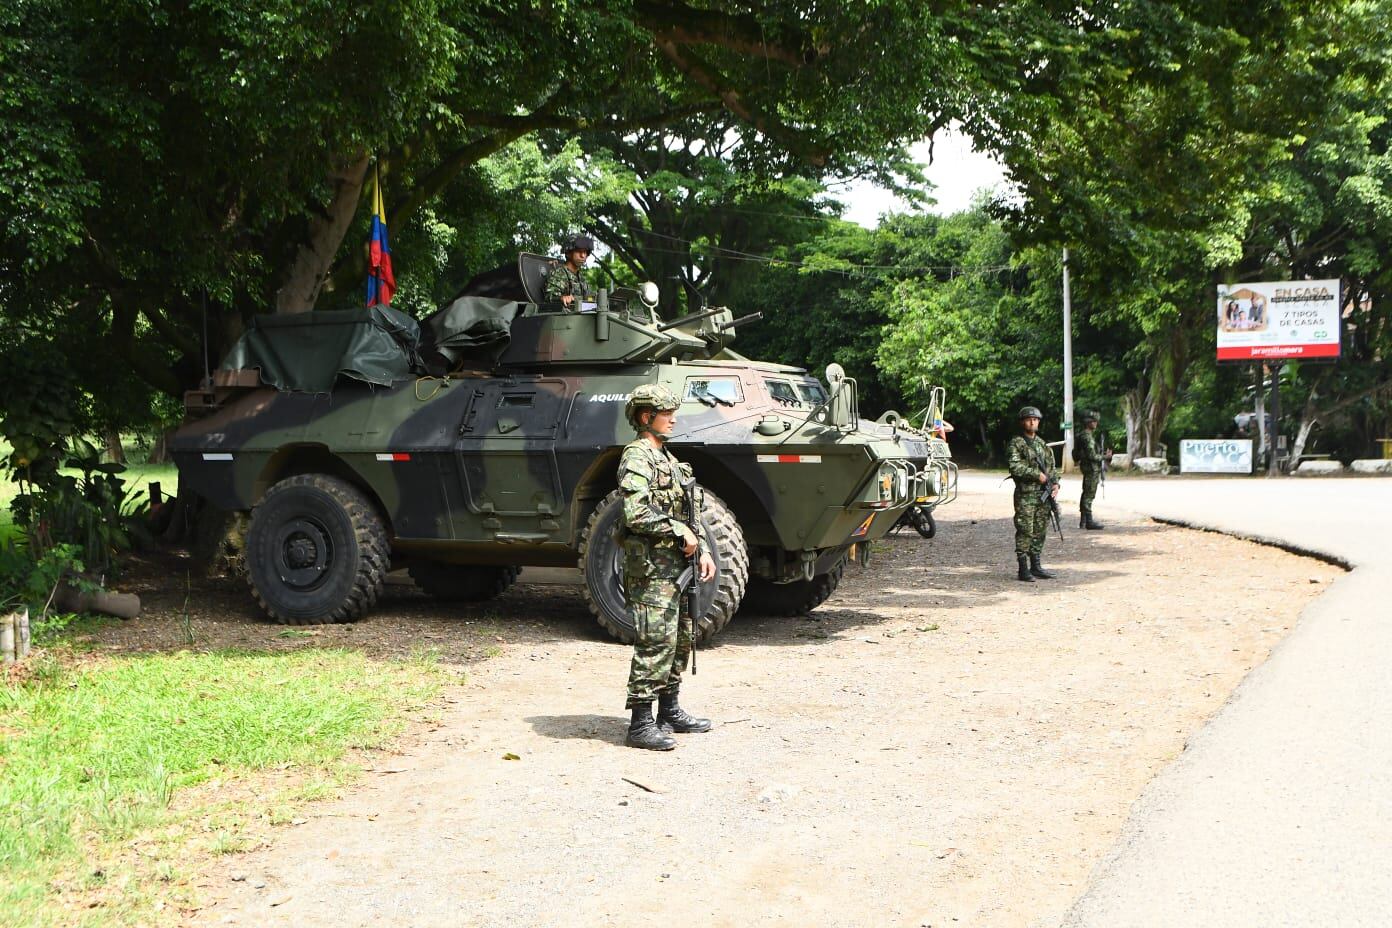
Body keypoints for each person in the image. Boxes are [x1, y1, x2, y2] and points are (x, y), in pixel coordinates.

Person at [618, 383, 718, 750]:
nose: (674, 419)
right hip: (652, 571)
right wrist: (679, 532)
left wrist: (703, 547)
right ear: (647, 417)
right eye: (667, 413)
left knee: (679, 640)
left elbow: (690, 514)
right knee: (655, 641)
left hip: (678, 569)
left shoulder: (669, 460)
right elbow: (635, 512)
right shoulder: (636, 458)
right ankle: (640, 722)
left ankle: (669, 710)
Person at [1006, 405, 1059, 582]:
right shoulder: (1017, 443)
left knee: (1040, 530)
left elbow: (1051, 467)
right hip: (1026, 495)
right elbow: (1015, 467)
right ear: (1022, 422)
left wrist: (1055, 483)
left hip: (1042, 495)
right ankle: (1023, 568)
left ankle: (1036, 566)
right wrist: (1037, 475)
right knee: (1025, 530)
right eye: (1029, 419)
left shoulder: (1042, 444)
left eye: (1035, 419)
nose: (1032, 422)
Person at [1075, 410, 1112, 530]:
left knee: (1086, 493)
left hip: (1087, 468)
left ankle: (1083, 521)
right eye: (1093, 421)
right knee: (1089, 495)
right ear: (1088, 422)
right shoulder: (1087, 437)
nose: (1096, 423)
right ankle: (1089, 522)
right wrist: (1105, 457)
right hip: (1091, 468)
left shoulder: (1082, 435)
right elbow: (1092, 456)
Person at [543, 234, 594, 311]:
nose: (583, 255)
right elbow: (550, 297)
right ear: (568, 252)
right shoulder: (559, 274)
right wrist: (562, 298)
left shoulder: (581, 278)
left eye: (585, 252)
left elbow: (589, 299)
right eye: (579, 251)